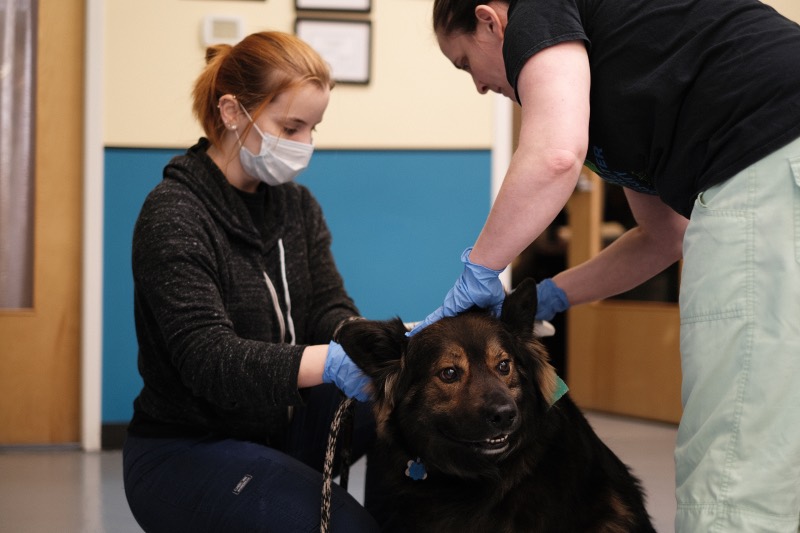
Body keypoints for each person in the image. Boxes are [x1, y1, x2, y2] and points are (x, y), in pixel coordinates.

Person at [414, 1, 800, 531]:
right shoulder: (620, 83)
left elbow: (554, 156)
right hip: (778, 161)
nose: (479, 87)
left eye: (464, 64)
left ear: (489, 21)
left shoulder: (535, 9)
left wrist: (480, 269)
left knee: (735, 453)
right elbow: (666, 236)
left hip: (771, 164)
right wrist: (555, 294)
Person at [122, 31, 382, 533]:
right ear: (232, 112)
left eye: (313, 128)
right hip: (185, 450)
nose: (305, 144)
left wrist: (372, 343)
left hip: (276, 427)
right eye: (292, 126)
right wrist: (329, 361)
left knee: (412, 412)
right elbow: (209, 360)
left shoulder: (296, 206)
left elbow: (327, 307)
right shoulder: (174, 214)